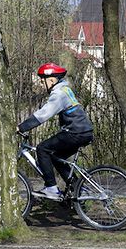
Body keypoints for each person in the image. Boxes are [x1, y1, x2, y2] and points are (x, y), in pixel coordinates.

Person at [17, 63, 94, 200]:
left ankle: (51, 188)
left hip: (75, 132)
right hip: (83, 132)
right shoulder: (64, 89)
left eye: (42, 81)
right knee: (56, 157)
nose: (41, 84)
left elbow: (43, 114)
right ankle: (77, 187)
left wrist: (21, 127)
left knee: (42, 149)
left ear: (51, 80)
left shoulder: (59, 94)